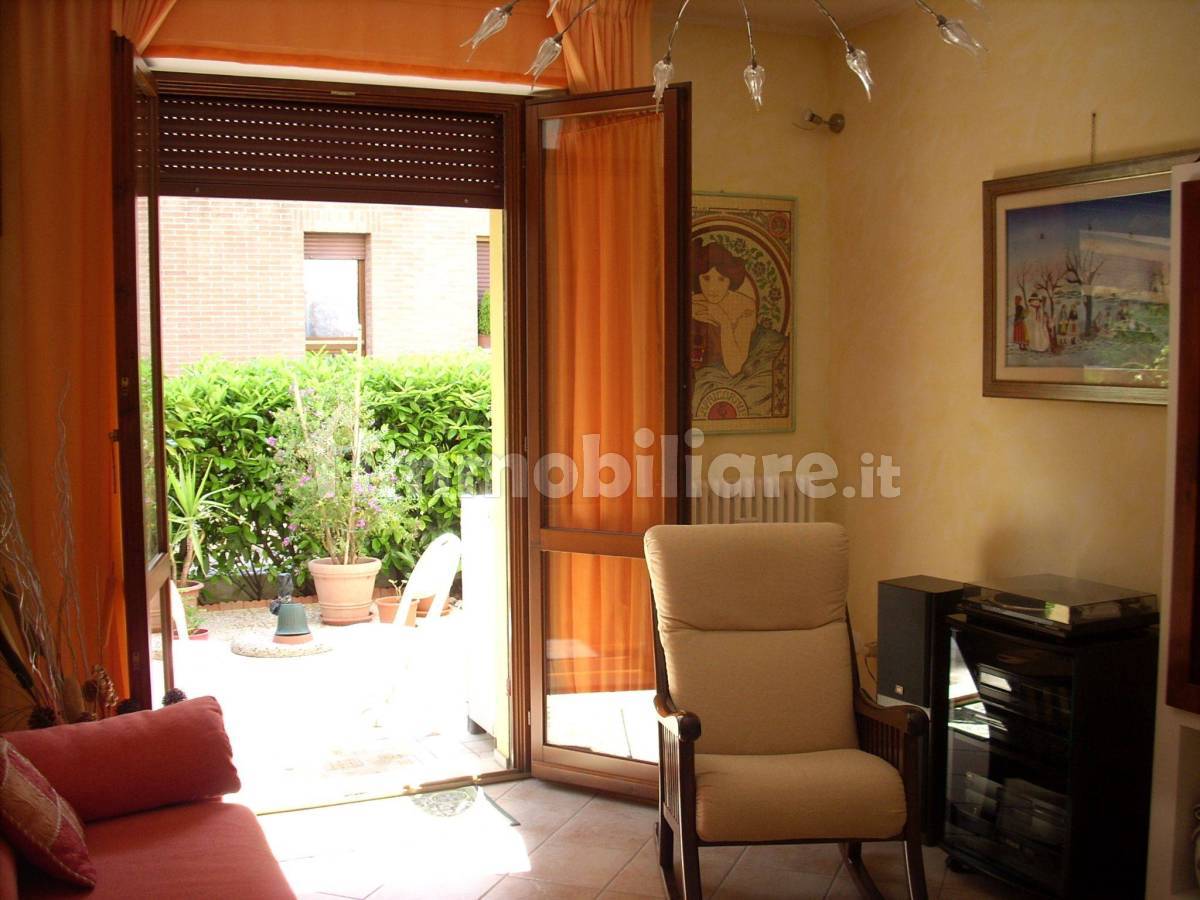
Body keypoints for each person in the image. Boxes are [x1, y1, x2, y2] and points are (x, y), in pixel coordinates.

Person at [690, 237, 786, 417]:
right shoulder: (694, 304)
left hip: (750, 362)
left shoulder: (744, 308)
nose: (712, 288)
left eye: (721, 279)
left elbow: (734, 367)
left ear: (730, 280)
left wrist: (723, 321)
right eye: (706, 278)